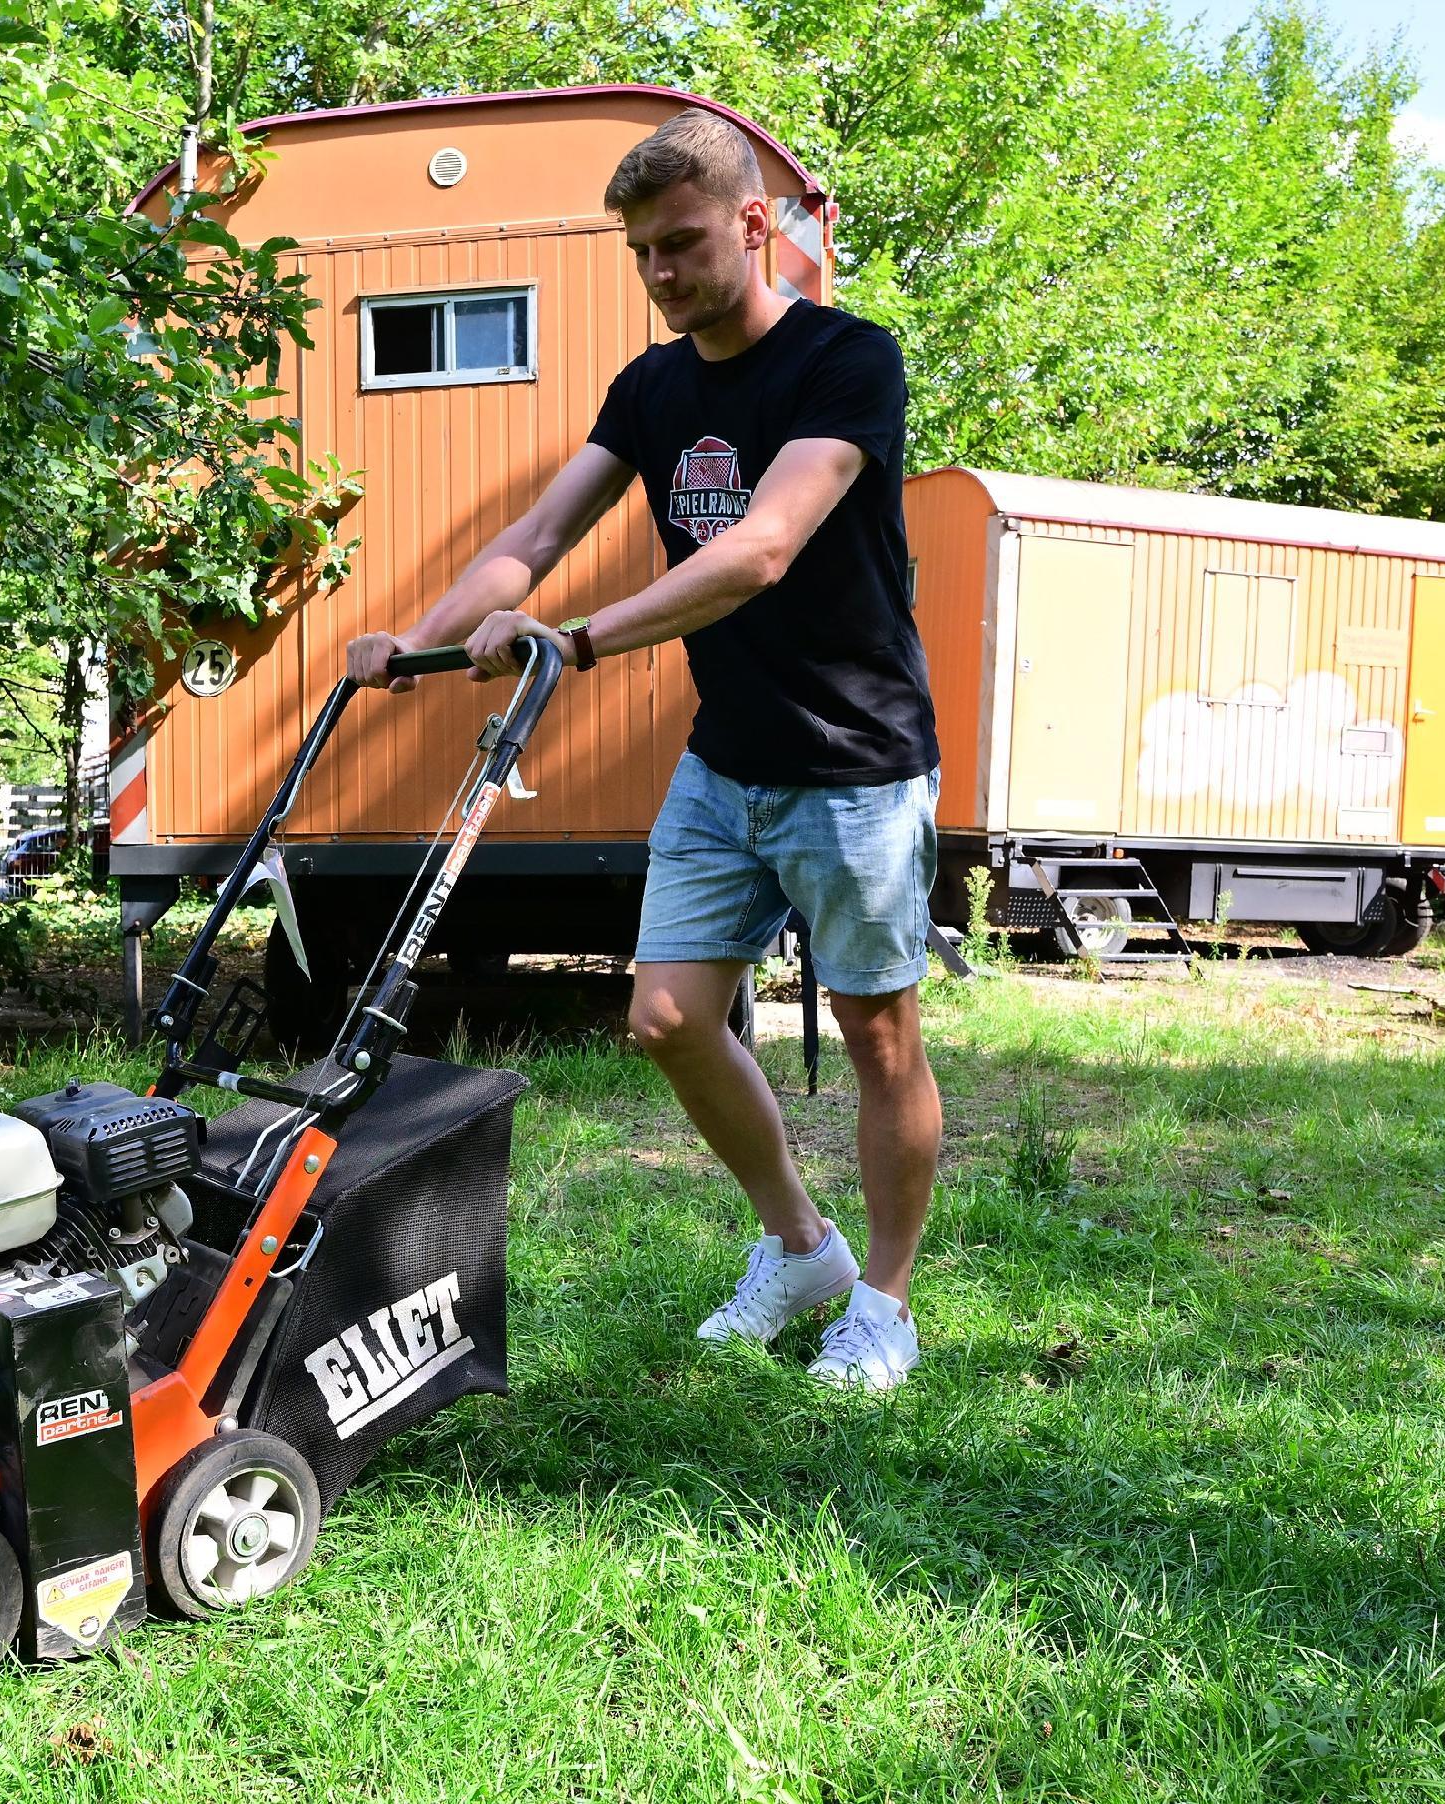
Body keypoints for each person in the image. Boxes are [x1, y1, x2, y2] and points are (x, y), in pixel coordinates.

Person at [346, 108, 942, 1391]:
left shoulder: (849, 362)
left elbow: (760, 548)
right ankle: (802, 1248)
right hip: (728, 756)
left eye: (681, 245)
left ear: (749, 225)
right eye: (641, 256)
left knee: (880, 1032)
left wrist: (573, 639)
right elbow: (538, 533)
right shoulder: (652, 387)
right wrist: (418, 636)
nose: (663, 275)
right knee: (668, 1016)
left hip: (854, 756)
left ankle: (885, 1302)